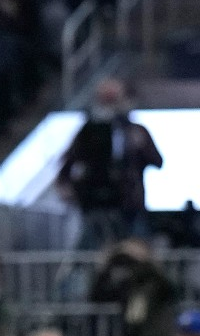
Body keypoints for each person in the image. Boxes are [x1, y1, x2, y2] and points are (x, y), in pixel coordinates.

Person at [60, 78, 162, 247]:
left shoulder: (136, 130)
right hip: (95, 205)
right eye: (106, 100)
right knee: (91, 252)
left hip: (130, 204)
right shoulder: (88, 132)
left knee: (135, 250)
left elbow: (157, 161)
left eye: (114, 100)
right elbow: (68, 162)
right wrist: (68, 187)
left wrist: (142, 146)